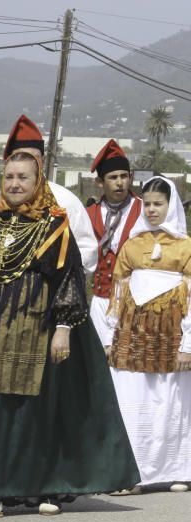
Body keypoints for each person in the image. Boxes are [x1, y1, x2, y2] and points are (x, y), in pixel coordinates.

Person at [0, 149, 140, 519]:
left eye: (23, 177)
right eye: (9, 177)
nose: (15, 184)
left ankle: (40, 487)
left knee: (31, 413)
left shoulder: (55, 224)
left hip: (35, 325)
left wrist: (63, 329)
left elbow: (68, 277)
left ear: (37, 182)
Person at [105, 176, 191, 494]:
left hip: (171, 337)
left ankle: (179, 469)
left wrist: (188, 344)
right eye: (148, 204)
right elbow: (116, 293)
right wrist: (110, 335)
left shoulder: (185, 247)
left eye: (159, 204)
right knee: (132, 401)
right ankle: (133, 472)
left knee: (171, 403)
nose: (152, 210)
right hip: (133, 336)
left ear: (171, 206)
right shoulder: (131, 244)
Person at [0, 115, 98, 276]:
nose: (26, 164)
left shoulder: (66, 201)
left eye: (33, 158)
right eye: (19, 158)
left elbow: (87, 252)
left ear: (43, 160)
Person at [86, 140, 141, 346]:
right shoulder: (89, 214)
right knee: (99, 363)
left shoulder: (144, 211)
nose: (120, 182)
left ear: (131, 177)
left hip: (134, 303)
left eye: (124, 176)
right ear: (100, 182)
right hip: (100, 300)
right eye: (113, 177)